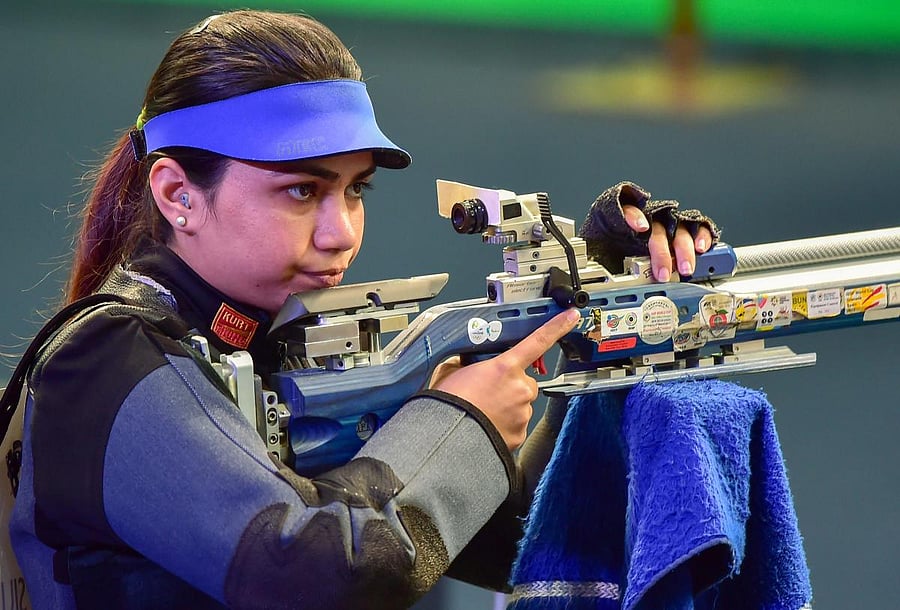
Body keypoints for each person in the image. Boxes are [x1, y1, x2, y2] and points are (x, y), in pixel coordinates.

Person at [6, 10, 715, 609]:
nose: (340, 231)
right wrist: (458, 423)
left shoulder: (268, 346)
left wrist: (603, 336)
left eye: (355, 191)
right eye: (301, 191)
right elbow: (318, 573)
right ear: (177, 193)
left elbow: (527, 542)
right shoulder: (107, 359)